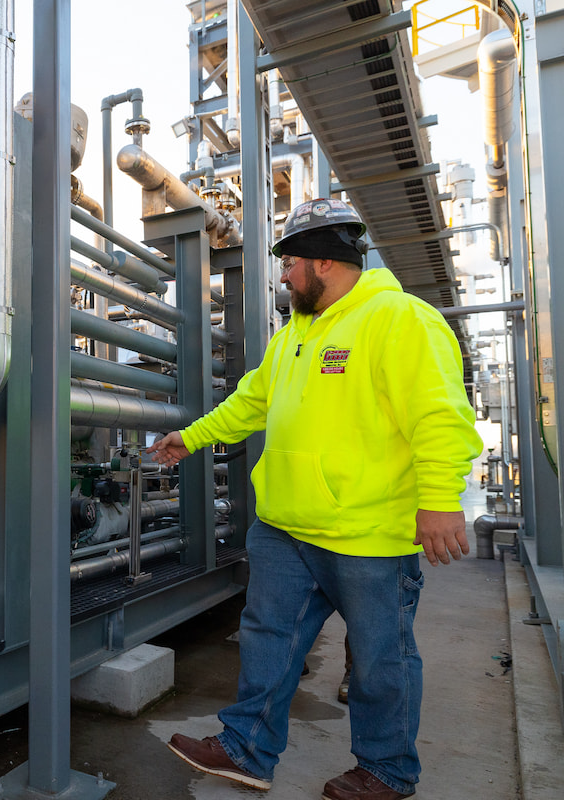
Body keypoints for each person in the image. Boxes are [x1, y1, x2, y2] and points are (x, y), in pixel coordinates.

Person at [147, 198, 482, 800]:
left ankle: (386, 771)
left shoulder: (399, 319)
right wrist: (190, 438)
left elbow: (440, 417)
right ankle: (246, 750)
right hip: (283, 527)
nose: (282, 275)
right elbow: (250, 403)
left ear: (323, 263)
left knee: (382, 659)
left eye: (289, 263)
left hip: (368, 533)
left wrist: (438, 499)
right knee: (268, 641)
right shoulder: (293, 336)